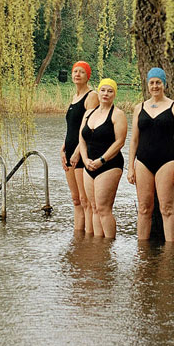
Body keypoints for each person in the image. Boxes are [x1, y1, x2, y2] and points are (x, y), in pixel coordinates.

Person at [127, 68, 174, 242]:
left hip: (167, 161)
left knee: (167, 208)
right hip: (143, 161)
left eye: (158, 82)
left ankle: (170, 253)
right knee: (144, 208)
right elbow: (134, 140)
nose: (155, 86)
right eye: (151, 82)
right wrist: (130, 167)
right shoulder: (139, 108)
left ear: (164, 84)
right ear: (147, 85)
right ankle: (142, 251)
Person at [77, 78, 128, 239]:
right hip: (88, 164)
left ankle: (108, 247)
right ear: (98, 92)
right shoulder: (88, 113)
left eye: (110, 91)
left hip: (109, 164)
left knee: (103, 208)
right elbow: (82, 139)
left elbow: (120, 142)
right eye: (103, 90)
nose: (106, 94)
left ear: (114, 94)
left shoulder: (118, 114)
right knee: (93, 207)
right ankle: (98, 247)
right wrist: (84, 159)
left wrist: (101, 160)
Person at [60, 60, 99, 233]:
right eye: (75, 71)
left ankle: (90, 240)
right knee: (75, 199)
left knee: (85, 200)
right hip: (69, 151)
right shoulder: (74, 96)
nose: (77, 74)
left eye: (81, 72)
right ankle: (77, 238)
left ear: (87, 76)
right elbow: (72, 127)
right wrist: (63, 148)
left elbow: (88, 127)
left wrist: (77, 152)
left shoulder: (92, 96)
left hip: (82, 152)